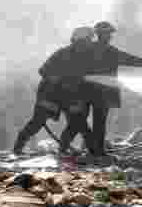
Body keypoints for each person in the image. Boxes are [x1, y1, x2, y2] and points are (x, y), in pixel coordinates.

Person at [12, 27, 100, 156]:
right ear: (80, 41)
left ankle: (69, 150)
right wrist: (56, 79)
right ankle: (17, 148)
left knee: (78, 123)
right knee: (38, 122)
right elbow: (43, 70)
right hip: (50, 95)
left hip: (70, 96)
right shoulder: (62, 53)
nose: (90, 43)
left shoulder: (88, 58)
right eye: (88, 40)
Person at [87, 21, 142, 156]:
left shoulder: (91, 49)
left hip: (89, 91)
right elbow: (128, 59)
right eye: (107, 34)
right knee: (98, 122)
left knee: (90, 122)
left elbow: (127, 58)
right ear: (101, 34)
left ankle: (94, 148)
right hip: (101, 93)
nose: (109, 36)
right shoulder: (109, 51)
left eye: (109, 34)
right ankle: (97, 149)